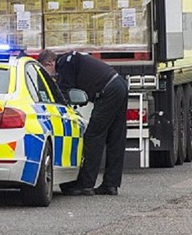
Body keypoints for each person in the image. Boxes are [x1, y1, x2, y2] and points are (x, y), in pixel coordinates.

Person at [38, 49, 129, 196]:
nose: (50, 76)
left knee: (94, 136)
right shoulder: (71, 59)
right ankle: (111, 184)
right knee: (115, 138)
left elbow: (63, 92)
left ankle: (86, 185)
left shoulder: (65, 64)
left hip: (109, 91)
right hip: (119, 85)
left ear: (49, 63)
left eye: (46, 71)